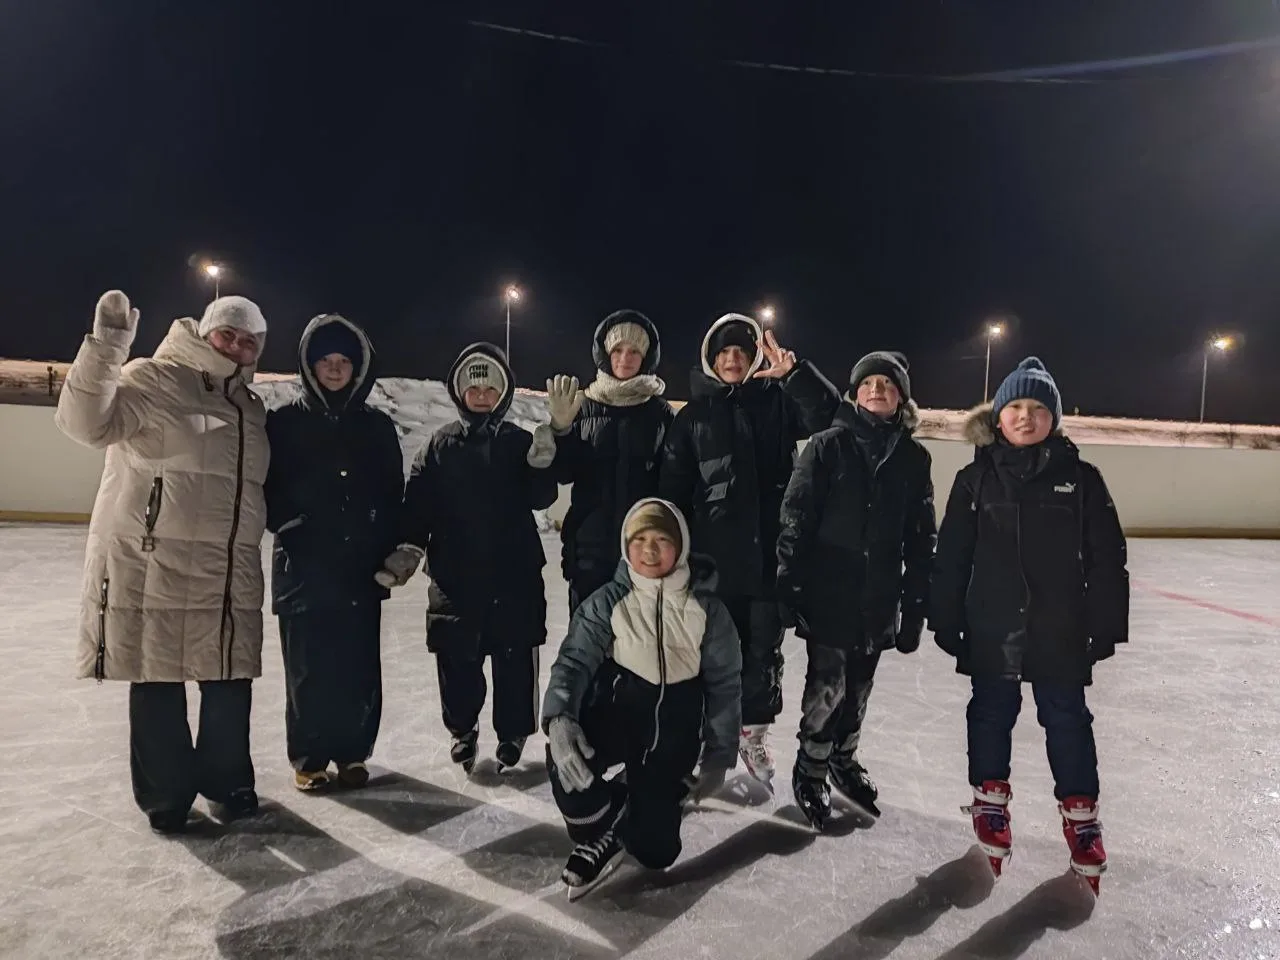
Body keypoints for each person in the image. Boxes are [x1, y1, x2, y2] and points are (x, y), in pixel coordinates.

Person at [55, 291, 270, 834]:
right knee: (157, 680)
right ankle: (166, 795)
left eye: (249, 341)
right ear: (204, 331)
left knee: (229, 680)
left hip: (228, 569)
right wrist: (106, 349)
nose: (237, 347)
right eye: (228, 334)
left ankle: (228, 782)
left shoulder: (250, 406)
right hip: (157, 564)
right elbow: (85, 424)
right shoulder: (153, 378)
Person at [929, 356, 1129, 895]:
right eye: (1015, 405)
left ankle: (1081, 815)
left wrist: (1106, 623)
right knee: (991, 712)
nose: (1025, 416)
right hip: (992, 624)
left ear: (1053, 420)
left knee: (1067, 718)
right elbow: (952, 555)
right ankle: (989, 801)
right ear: (997, 416)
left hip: (1061, 627)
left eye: (1038, 408)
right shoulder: (974, 479)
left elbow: (1107, 557)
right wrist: (945, 617)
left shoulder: (1082, 480)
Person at [659, 312, 839, 786]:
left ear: (755, 358)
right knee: (710, 654)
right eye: (724, 352)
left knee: (761, 654)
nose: (733, 359)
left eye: (742, 351)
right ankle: (707, 736)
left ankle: (752, 732)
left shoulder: (779, 402)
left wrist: (796, 376)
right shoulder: (692, 418)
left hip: (766, 563)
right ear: (711, 360)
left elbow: (831, 420)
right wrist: (671, 558)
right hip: (711, 564)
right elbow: (672, 491)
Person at [542, 498, 742, 897]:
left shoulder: (708, 609)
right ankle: (608, 822)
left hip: (672, 738)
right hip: (618, 720)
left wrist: (719, 757)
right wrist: (560, 717)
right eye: (639, 539)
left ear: (680, 546)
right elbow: (574, 662)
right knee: (573, 784)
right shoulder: (608, 601)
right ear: (625, 545)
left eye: (662, 539)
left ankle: (635, 813)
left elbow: (725, 685)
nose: (649, 550)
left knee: (656, 851)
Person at [776, 351, 936, 829]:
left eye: (886, 383)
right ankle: (811, 768)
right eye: (868, 383)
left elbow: (921, 537)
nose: (876, 389)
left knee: (860, 687)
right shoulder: (828, 445)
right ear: (855, 394)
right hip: (830, 594)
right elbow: (796, 517)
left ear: (901, 397)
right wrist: (789, 583)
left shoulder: (913, 458)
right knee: (827, 687)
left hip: (879, 598)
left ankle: (843, 759)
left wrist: (915, 607)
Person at [388, 343, 558, 774]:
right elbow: (418, 503)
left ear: (503, 393)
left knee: (515, 656)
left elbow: (542, 498)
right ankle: (462, 729)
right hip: (455, 575)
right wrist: (410, 546)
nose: (482, 395)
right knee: (457, 658)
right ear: (460, 392)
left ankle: (513, 732)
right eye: (474, 388)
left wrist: (542, 466)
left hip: (514, 573)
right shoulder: (439, 445)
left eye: (490, 388)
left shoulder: (519, 441)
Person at [264, 314, 405, 792]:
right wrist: (291, 523)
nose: (335, 368)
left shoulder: (377, 426)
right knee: (309, 669)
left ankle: (352, 754)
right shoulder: (284, 423)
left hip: (359, 570)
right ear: (309, 365)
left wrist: (390, 546)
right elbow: (264, 487)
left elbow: (392, 494)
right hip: (302, 568)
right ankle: (309, 757)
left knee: (357, 667)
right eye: (325, 359)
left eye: (344, 360)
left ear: (358, 366)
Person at [545, 309, 675, 611]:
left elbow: (673, 484)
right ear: (604, 354)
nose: (625, 358)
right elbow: (563, 472)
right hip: (589, 553)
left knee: (637, 640)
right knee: (587, 637)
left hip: (644, 554)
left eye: (634, 351)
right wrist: (561, 430)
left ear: (646, 357)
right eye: (617, 350)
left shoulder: (661, 414)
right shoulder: (583, 407)